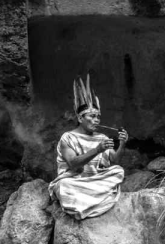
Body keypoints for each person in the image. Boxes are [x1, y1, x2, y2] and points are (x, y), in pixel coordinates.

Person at [48, 75, 128, 220]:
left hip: (94, 180)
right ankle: (96, 199)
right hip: (74, 181)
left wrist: (122, 144)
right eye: (92, 116)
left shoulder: (102, 138)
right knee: (63, 185)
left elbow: (115, 161)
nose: (96, 120)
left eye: (98, 117)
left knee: (118, 171)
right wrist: (97, 150)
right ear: (80, 118)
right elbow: (73, 163)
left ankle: (88, 200)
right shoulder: (68, 138)